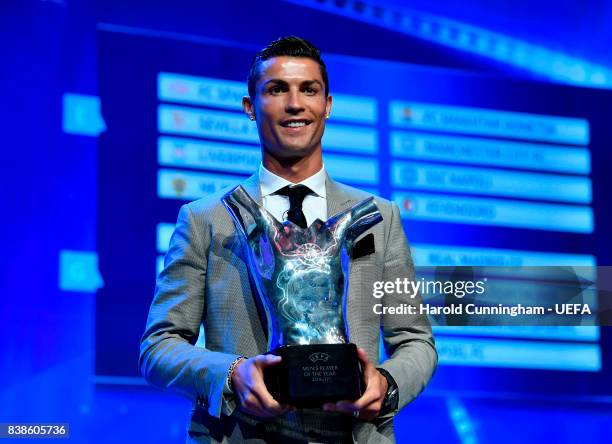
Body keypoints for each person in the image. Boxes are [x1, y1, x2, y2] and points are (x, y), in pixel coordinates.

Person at [140, 36, 437, 443]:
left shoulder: (380, 218)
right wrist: (231, 375)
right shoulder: (205, 219)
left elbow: (416, 341)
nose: (295, 104)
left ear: (327, 105)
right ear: (250, 107)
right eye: (277, 89)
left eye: (308, 90)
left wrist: (385, 385)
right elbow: (159, 347)